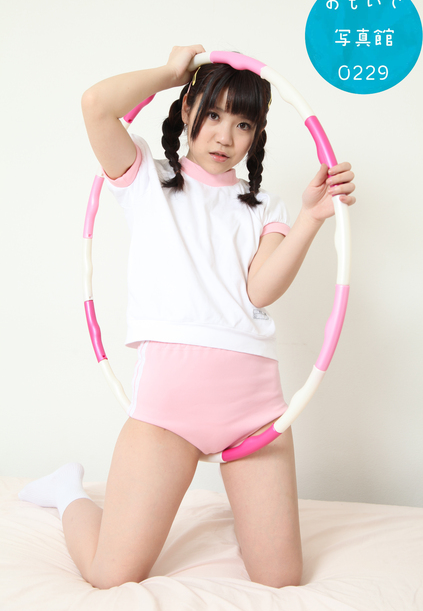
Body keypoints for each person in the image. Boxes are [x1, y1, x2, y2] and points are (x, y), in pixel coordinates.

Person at [19, 45, 355, 590]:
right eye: (213, 114)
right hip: (168, 412)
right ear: (186, 108)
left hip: (253, 410)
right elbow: (96, 104)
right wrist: (170, 73)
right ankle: (66, 493)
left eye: (243, 124)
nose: (225, 135)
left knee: (280, 579)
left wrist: (312, 218)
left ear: (256, 135)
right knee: (110, 576)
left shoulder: (265, 206)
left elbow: (261, 289)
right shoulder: (145, 179)